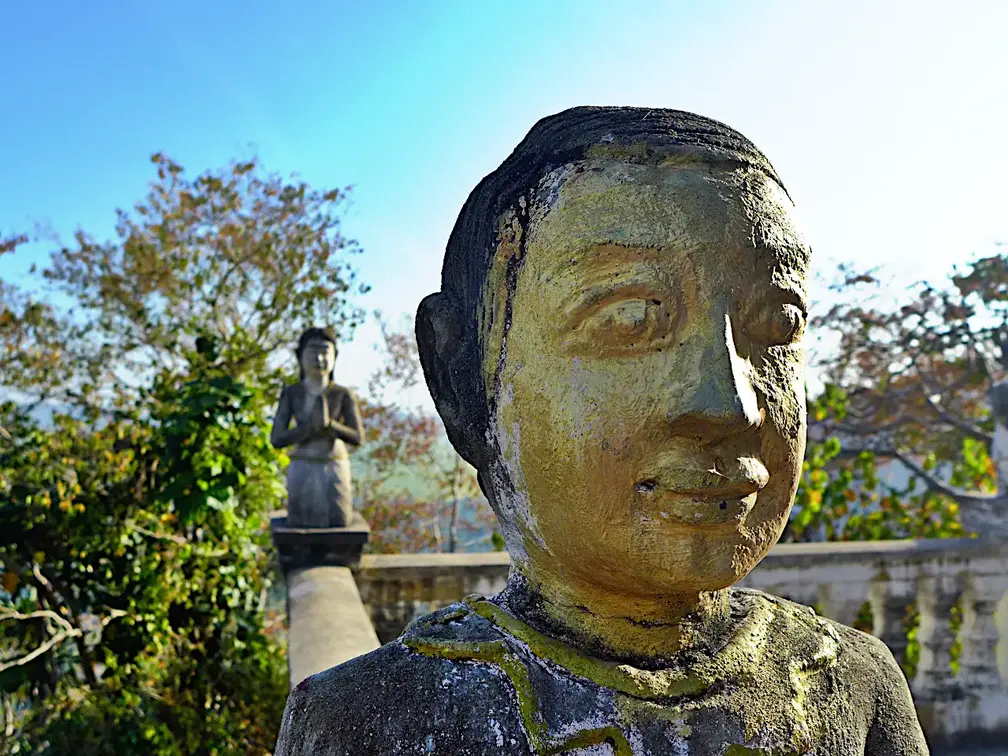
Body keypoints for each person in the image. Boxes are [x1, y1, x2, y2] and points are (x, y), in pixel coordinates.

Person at [274, 107, 929, 755]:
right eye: (632, 319)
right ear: (462, 383)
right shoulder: (371, 720)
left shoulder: (854, 684)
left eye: (778, 323)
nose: (731, 406)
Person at [270, 326, 362, 528]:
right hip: (302, 464)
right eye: (313, 353)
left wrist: (332, 427)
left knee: (338, 519)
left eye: (325, 353)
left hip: (334, 464)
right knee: (300, 520)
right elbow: (277, 438)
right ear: (300, 356)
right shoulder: (291, 393)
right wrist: (307, 430)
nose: (319, 359)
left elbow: (357, 437)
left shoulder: (342, 394)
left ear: (335, 357)